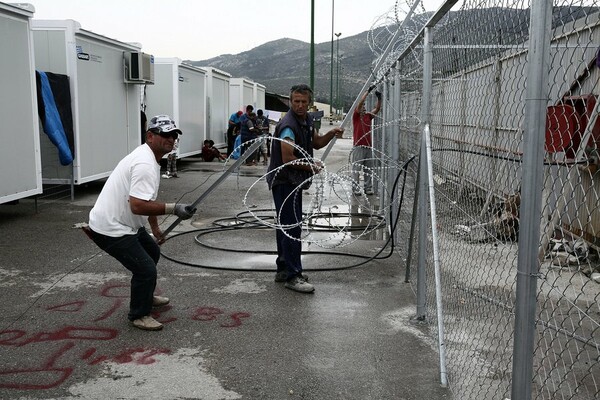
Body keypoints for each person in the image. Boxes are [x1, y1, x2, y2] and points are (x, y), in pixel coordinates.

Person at [87, 114, 195, 331]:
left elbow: (148, 201)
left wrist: (155, 229)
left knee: (152, 252)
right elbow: (138, 205)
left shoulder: (150, 159)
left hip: (127, 225)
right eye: (165, 135)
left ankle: (146, 295)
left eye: (174, 135)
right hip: (110, 227)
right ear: (150, 136)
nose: (171, 140)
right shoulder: (144, 162)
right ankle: (139, 314)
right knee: (145, 270)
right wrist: (174, 209)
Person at [266, 84, 344, 293]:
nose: (299, 105)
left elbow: (316, 142)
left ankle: (284, 269)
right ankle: (293, 275)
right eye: (295, 101)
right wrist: (312, 165)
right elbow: (288, 158)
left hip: (293, 181)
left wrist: (331, 134)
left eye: (303, 101)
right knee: (292, 227)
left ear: (310, 103)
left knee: (287, 225)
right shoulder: (288, 125)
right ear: (290, 102)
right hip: (284, 181)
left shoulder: (307, 120)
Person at [351, 88, 382, 195]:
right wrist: (368, 91)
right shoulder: (356, 117)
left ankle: (368, 188)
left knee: (368, 169)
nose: (363, 108)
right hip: (359, 146)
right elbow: (359, 104)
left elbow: (377, 109)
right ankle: (355, 188)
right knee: (357, 168)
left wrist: (379, 98)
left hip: (368, 146)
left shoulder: (368, 116)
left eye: (364, 106)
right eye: (362, 107)